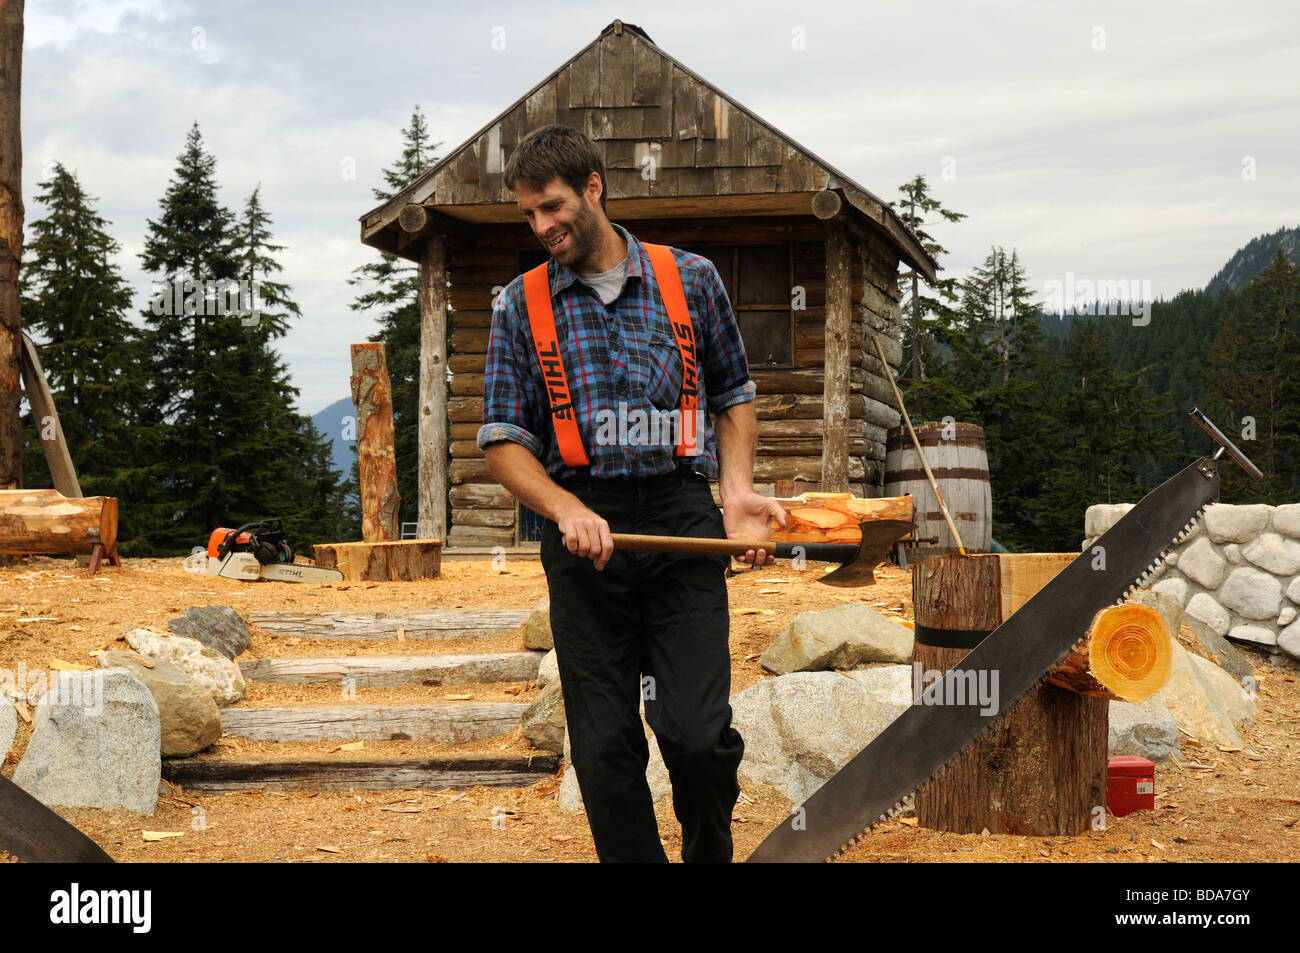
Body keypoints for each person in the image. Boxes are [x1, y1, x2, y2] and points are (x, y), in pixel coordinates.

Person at [478, 124, 785, 863]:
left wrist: (736, 490)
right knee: (606, 751)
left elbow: (733, 392)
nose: (542, 226)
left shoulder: (692, 279)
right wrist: (563, 507)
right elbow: (502, 440)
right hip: (582, 537)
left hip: (681, 519)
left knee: (698, 736)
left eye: (551, 206)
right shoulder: (518, 307)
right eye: (528, 215)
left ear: (594, 187)